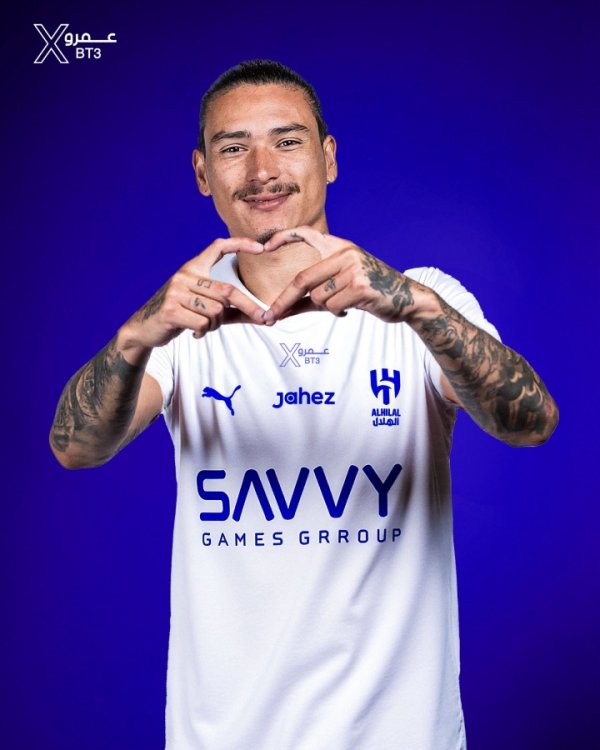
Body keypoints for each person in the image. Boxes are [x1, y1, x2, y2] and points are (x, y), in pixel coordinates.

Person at [50, 60, 558, 750]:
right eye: (234, 147)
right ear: (203, 173)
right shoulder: (180, 321)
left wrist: (414, 307)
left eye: (287, 141)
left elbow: (530, 423)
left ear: (328, 158)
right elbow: (76, 447)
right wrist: (137, 336)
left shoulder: (423, 300)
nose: (263, 170)